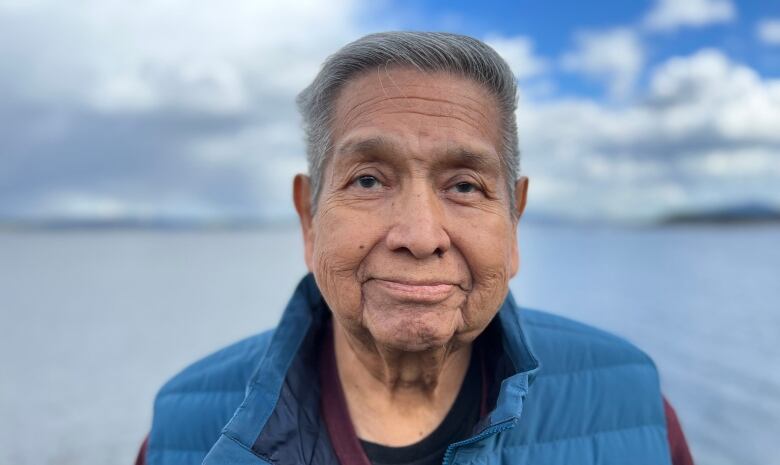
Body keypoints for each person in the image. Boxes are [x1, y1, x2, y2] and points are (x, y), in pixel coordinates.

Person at [137, 31, 694, 465]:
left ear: (514, 219)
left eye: (465, 186)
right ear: (309, 218)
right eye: (369, 181)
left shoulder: (632, 399)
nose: (420, 236)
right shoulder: (183, 429)